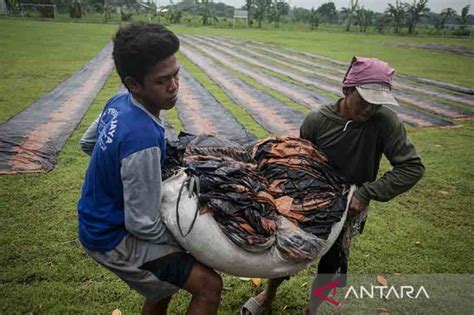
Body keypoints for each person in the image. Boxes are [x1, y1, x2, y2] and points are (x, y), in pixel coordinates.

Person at [241, 56, 425, 315]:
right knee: (290, 247)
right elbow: (299, 163)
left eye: (377, 102)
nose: (370, 108)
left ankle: (313, 309)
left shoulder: (385, 122)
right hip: (309, 196)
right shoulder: (317, 121)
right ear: (347, 89)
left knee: (333, 261)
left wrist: (366, 193)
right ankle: (267, 298)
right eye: (365, 99)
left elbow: (412, 167)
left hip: (351, 201)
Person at [77, 23, 222, 315]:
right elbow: (141, 223)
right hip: (111, 235)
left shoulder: (118, 103)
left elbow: (87, 143)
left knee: (163, 283)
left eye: (176, 75)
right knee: (208, 285)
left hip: (95, 217)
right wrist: (191, 243)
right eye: (162, 81)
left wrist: (117, 171)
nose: (174, 86)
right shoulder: (141, 138)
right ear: (134, 84)